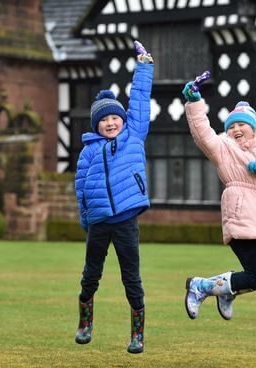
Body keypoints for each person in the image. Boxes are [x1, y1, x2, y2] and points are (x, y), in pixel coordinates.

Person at [180, 81, 256, 321]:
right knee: (255, 276)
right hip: (240, 218)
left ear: (254, 129)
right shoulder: (224, 148)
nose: (236, 129)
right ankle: (201, 286)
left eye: (241, 124)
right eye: (231, 126)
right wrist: (194, 104)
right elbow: (203, 134)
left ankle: (225, 291)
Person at [73, 46, 154, 354]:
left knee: (131, 277)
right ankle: (85, 324)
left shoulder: (133, 135)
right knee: (90, 275)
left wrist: (144, 68)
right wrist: (85, 220)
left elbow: (140, 104)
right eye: (104, 119)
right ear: (96, 125)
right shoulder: (88, 151)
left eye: (114, 118)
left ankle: (138, 335)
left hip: (125, 221)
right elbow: (81, 189)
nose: (110, 123)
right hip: (98, 223)